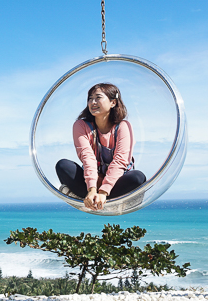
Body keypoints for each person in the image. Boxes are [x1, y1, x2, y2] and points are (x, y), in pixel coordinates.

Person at [55, 83, 146, 211]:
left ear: (113, 103)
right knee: (63, 165)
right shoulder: (81, 125)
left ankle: (106, 202)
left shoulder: (123, 126)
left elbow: (120, 161)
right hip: (92, 181)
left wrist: (103, 192)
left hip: (116, 183)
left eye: (98, 98)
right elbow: (87, 157)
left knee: (138, 177)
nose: (93, 102)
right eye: (90, 98)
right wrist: (92, 190)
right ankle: (91, 199)